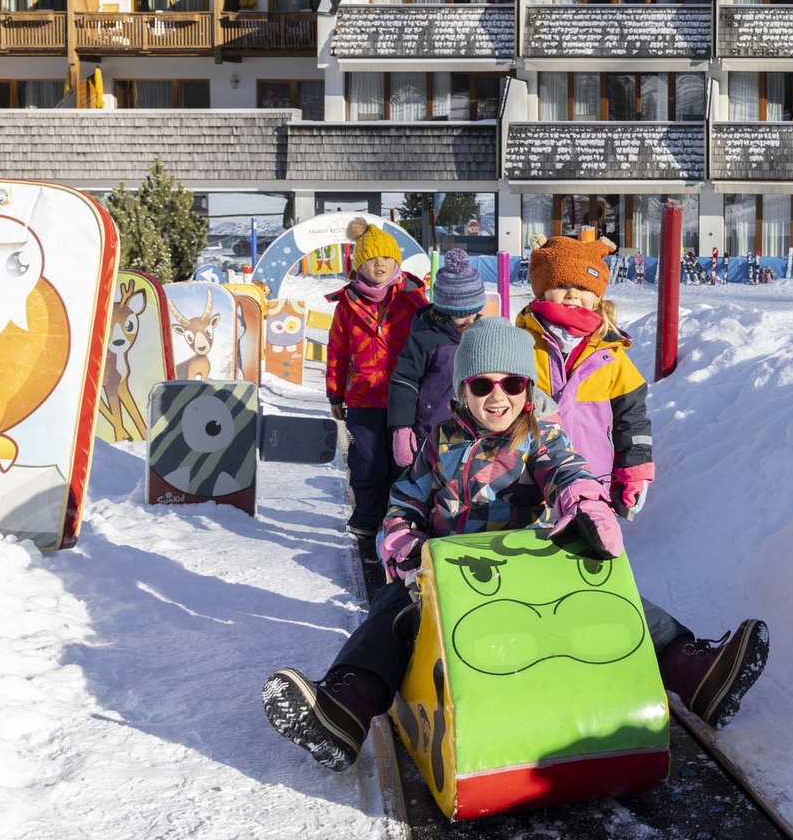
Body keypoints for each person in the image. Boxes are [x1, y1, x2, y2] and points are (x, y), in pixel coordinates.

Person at [263, 319, 623, 772]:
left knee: (606, 590)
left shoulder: (541, 439)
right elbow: (404, 503)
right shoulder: (440, 443)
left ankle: (690, 668)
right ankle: (345, 707)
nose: (498, 397)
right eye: (483, 384)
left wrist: (587, 505)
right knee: (393, 610)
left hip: (525, 576)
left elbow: (567, 472)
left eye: (512, 384)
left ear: (527, 390)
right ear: (461, 390)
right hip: (449, 579)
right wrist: (408, 546)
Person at [517, 229, 768, 728]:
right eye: (560, 285)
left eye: (581, 286)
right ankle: (557, 675)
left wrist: (633, 472)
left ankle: (692, 670)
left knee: (596, 579)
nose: (571, 295)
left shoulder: (612, 354)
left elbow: (632, 421)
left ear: (599, 294)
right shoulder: (517, 344)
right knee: (543, 584)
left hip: (588, 489)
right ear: (540, 290)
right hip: (523, 487)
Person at [326, 217, 428, 556]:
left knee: (404, 461)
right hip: (364, 399)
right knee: (368, 461)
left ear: (397, 262)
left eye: (386, 258)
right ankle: (368, 519)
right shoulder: (347, 305)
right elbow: (337, 351)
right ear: (360, 265)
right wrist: (335, 393)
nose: (380, 264)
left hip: (405, 397)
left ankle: (400, 518)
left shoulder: (413, 300)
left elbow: (430, 345)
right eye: (372, 258)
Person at [387, 248, 487, 467]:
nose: (469, 320)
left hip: (474, 433)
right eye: (461, 315)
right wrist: (401, 428)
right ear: (444, 310)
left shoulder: (483, 336)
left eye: (474, 312)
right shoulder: (425, 338)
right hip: (431, 431)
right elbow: (404, 382)